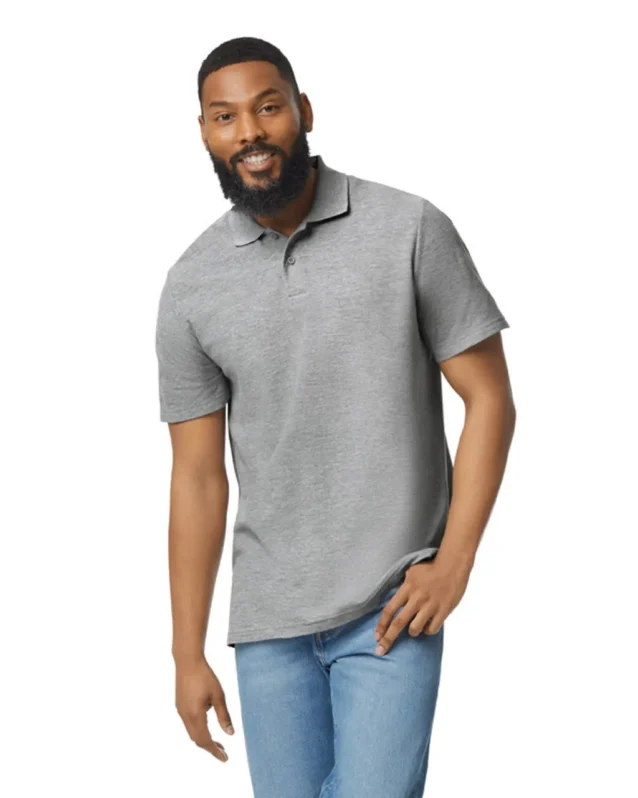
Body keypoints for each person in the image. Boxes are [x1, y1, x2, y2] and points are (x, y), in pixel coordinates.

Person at [155, 35, 516, 798]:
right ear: (205, 133)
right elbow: (197, 478)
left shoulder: (410, 228)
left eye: (268, 108)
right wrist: (187, 652)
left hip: (390, 604)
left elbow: (489, 398)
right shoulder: (191, 285)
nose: (249, 132)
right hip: (268, 625)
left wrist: (454, 562)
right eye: (225, 116)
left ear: (304, 112)